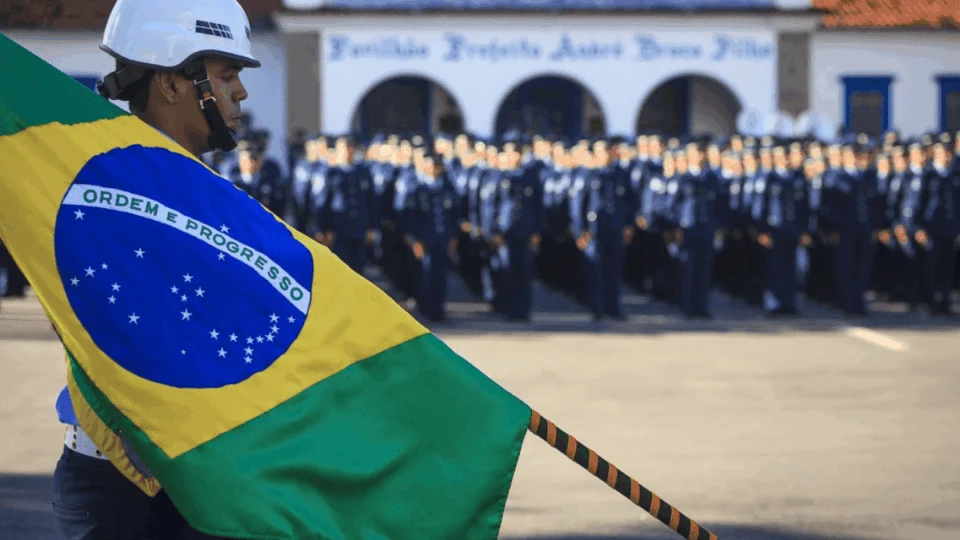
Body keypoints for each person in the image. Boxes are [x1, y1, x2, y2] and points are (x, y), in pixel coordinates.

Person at [52, 0, 260, 538]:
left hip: (208, 474)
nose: (241, 92)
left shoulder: (221, 197)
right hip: (112, 484)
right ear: (171, 83)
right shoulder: (97, 190)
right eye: (227, 74)